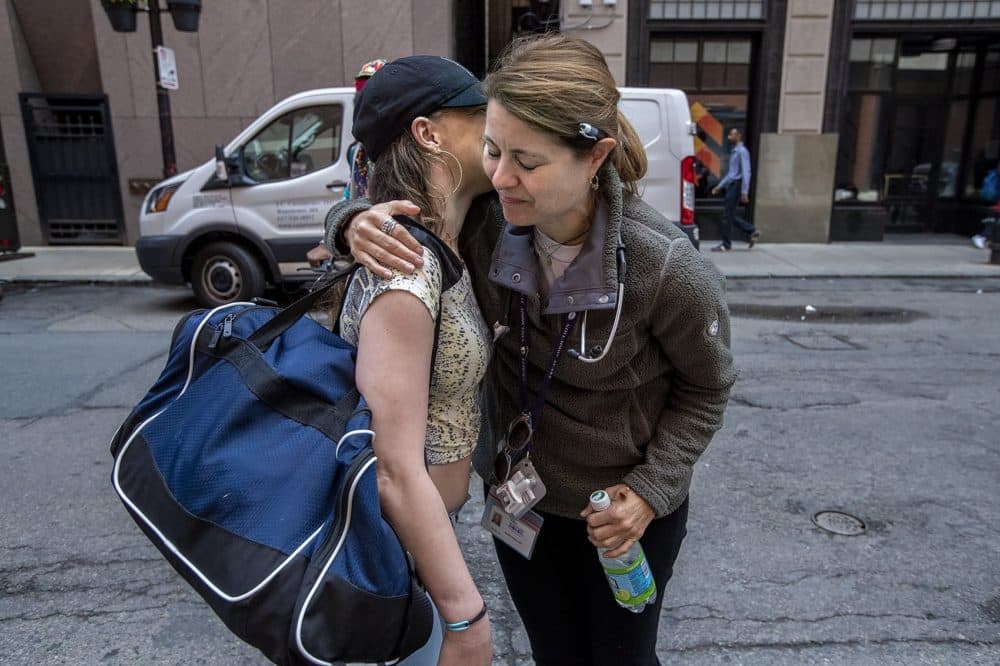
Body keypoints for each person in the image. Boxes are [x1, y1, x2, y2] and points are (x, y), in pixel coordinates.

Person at [325, 34, 736, 666]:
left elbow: (707, 387)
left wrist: (652, 489)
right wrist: (351, 222)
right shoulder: (491, 217)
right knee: (554, 654)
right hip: (520, 507)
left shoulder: (665, 269)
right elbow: (395, 184)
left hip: (620, 518)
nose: (500, 175)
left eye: (527, 160)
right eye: (492, 149)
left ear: (594, 156)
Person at [330, 55, 494, 665]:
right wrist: (466, 619)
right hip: (390, 553)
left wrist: (346, 217)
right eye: (480, 117)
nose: (496, 129)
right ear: (429, 134)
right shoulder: (407, 266)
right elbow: (393, 470)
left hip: (418, 545)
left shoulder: (457, 235)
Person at [306, 58, 387, 269]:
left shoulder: (398, 150)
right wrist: (331, 240)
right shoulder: (358, 151)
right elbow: (352, 195)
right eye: (359, 102)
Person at [711, 127, 759, 252]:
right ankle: (751, 230)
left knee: (727, 216)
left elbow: (746, 172)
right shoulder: (734, 152)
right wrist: (719, 186)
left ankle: (726, 245)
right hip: (732, 185)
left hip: (736, 186)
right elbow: (731, 173)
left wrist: (744, 191)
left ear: (738, 136)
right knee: (729, 216)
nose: (729, 137)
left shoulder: (742, 152)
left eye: (731, 135)